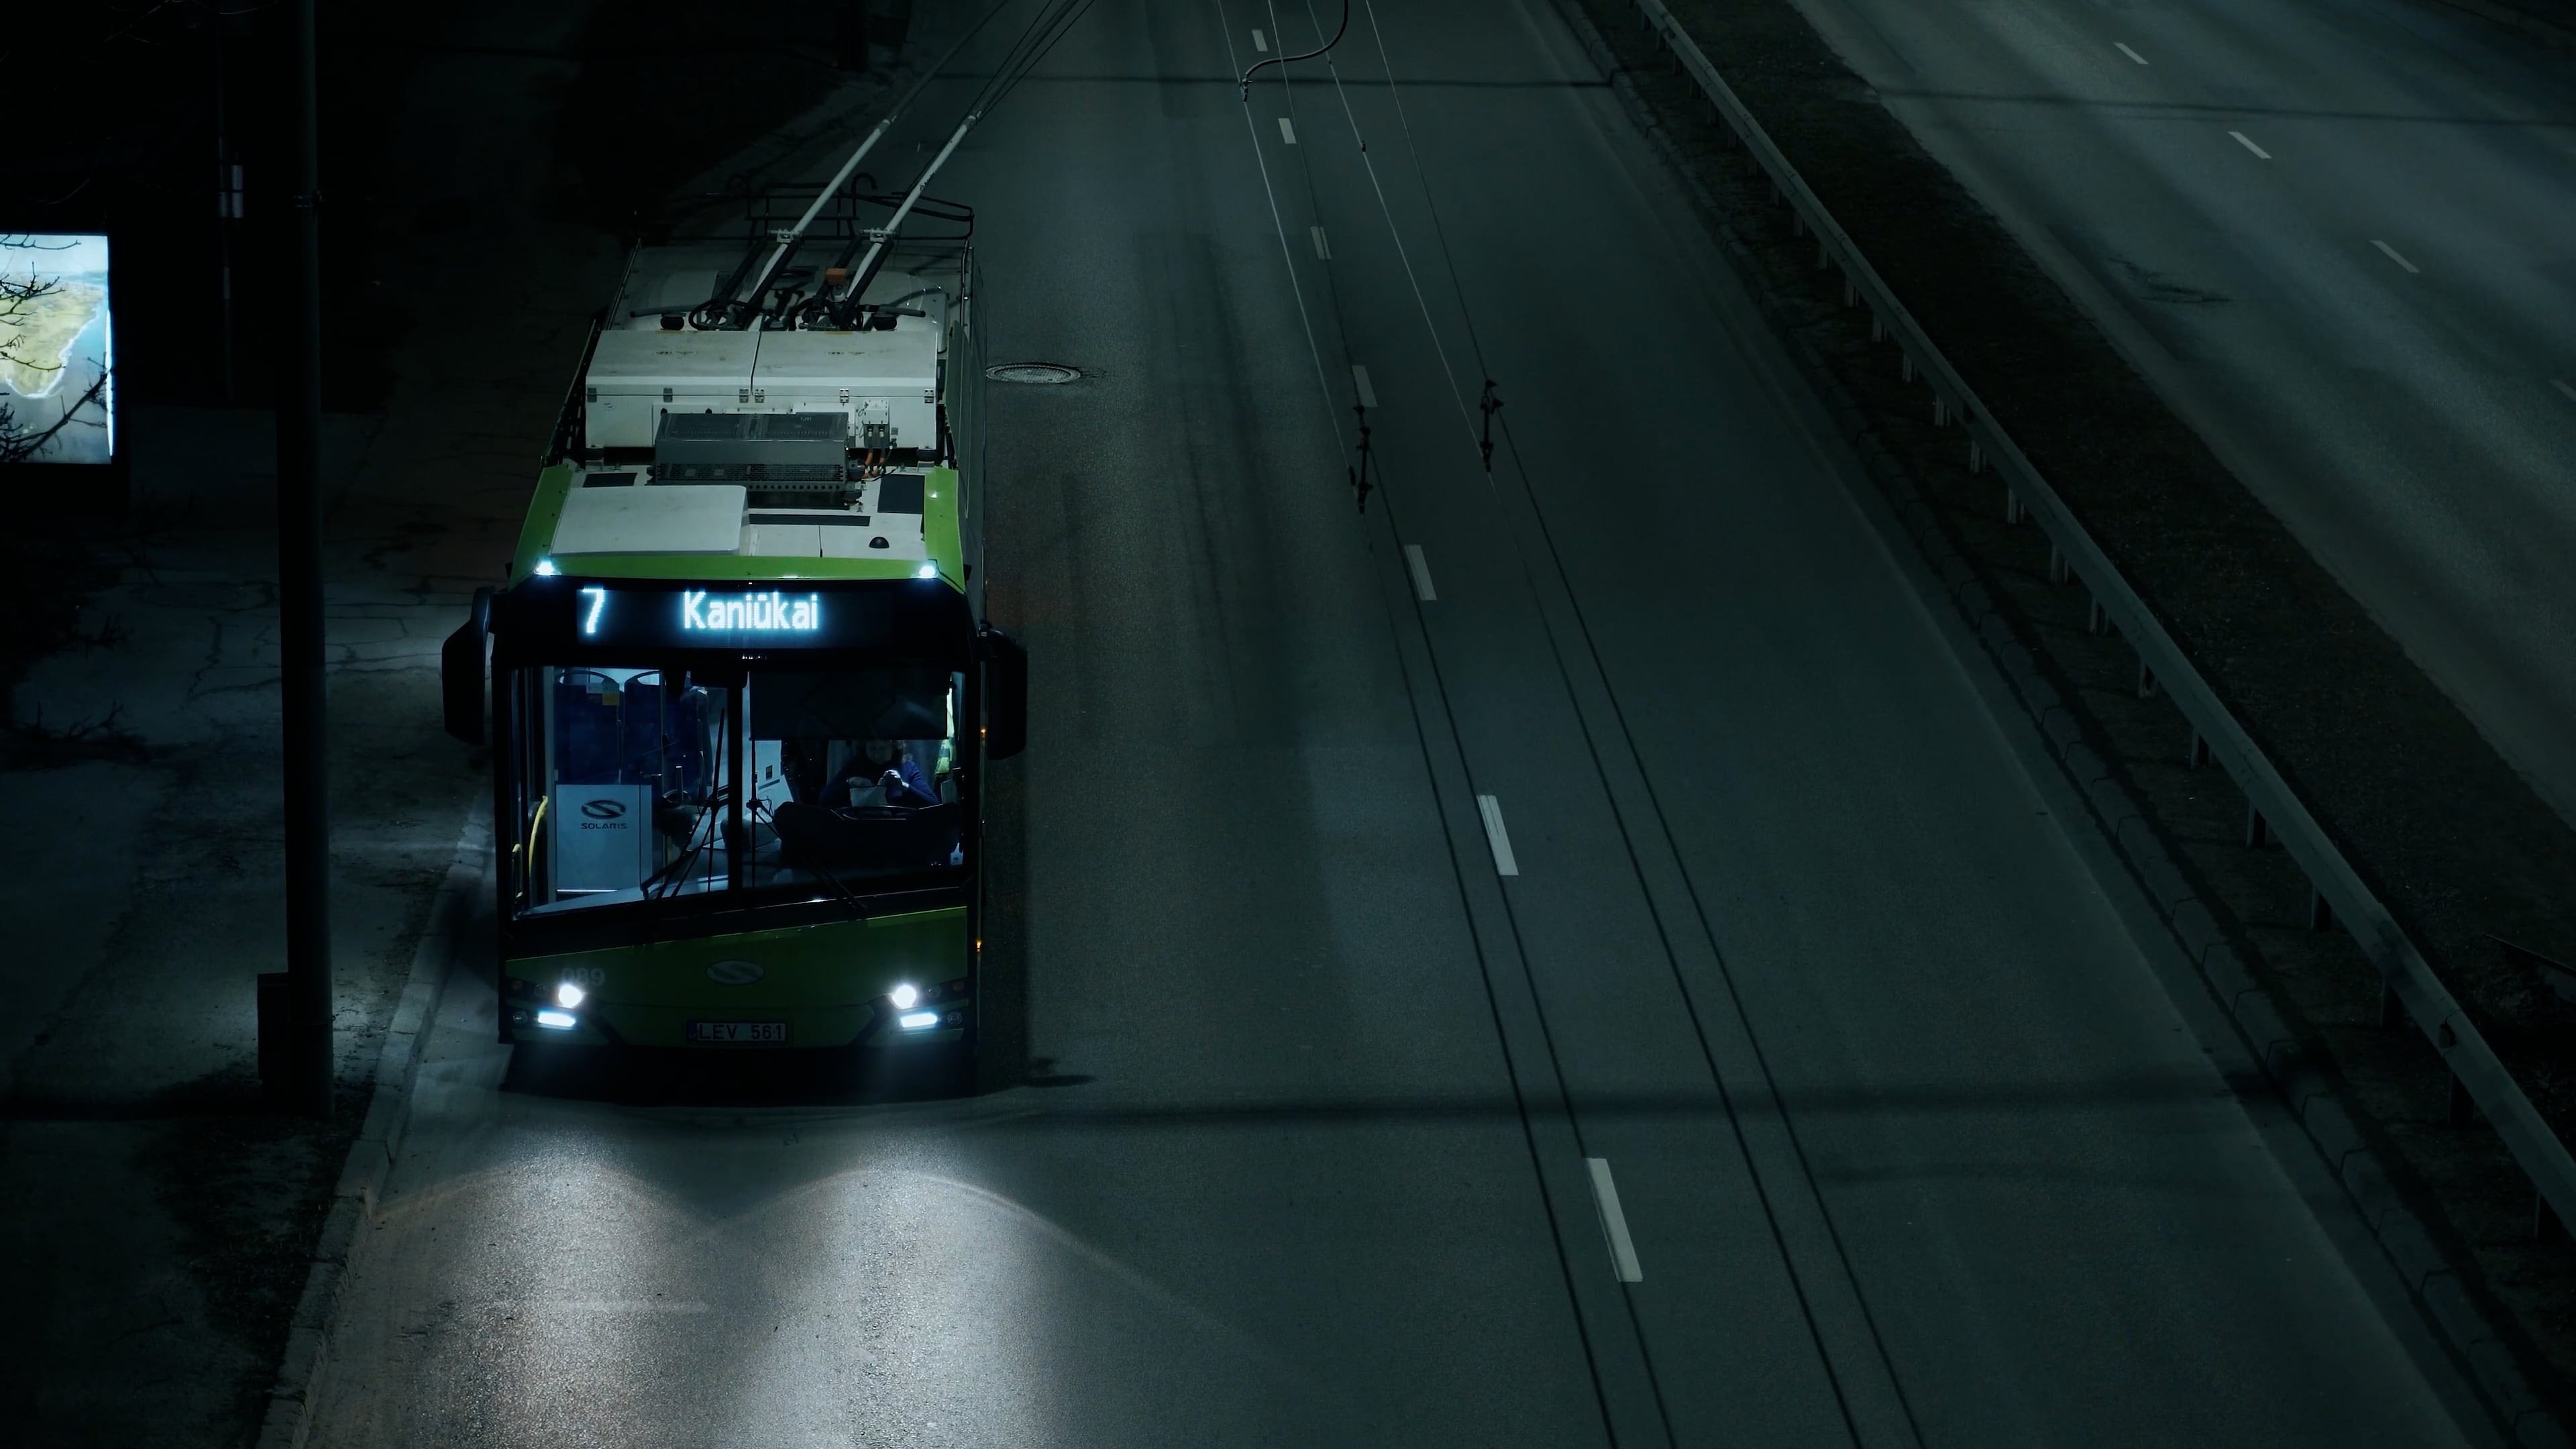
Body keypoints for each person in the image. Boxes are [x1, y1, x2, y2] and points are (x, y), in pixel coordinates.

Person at [836, 738, 939, 808]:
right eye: (872, 749)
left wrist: (904, 786)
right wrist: (849, 783)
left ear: (893, 747)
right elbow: (824, 800)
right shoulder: (855, 767)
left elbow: (933, 804)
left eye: (882, 749)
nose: (877, 754)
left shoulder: (907, 768)